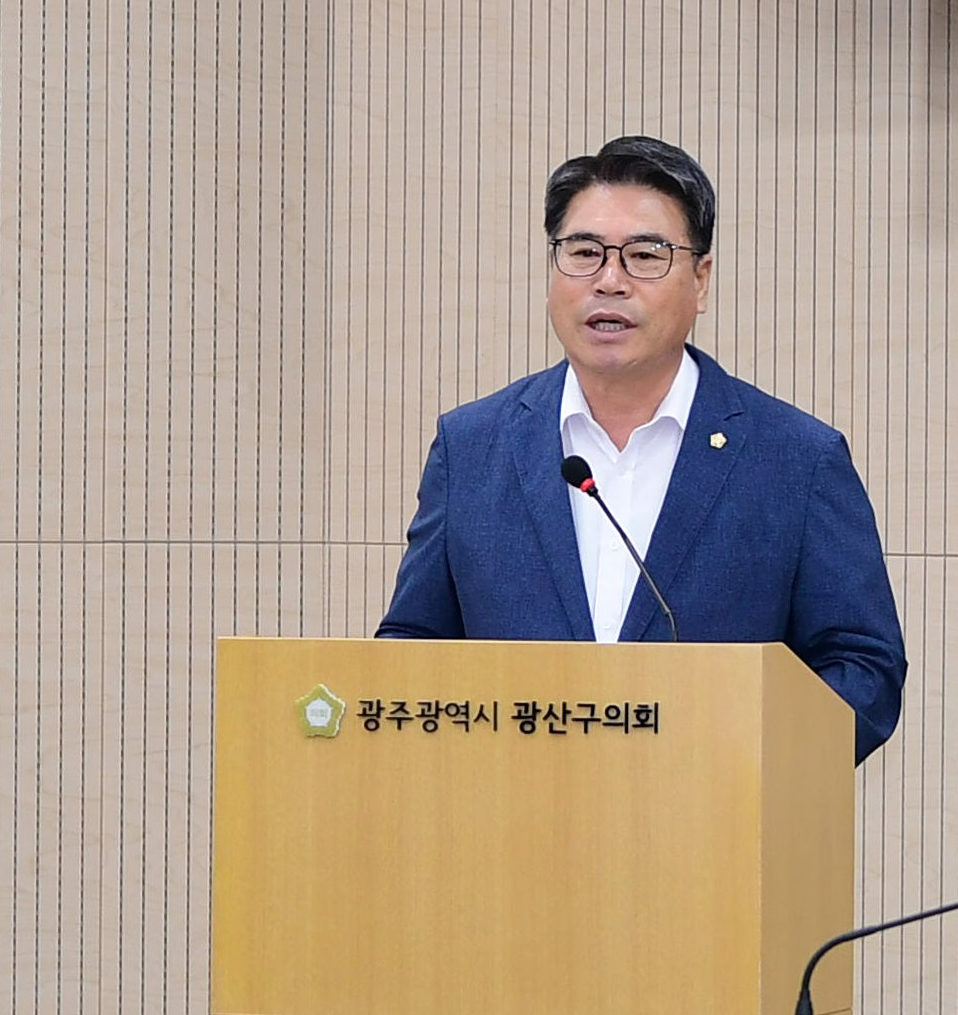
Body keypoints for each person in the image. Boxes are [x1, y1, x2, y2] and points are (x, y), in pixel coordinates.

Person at [378, 135, 905, 759]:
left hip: (713, 834)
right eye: (584, 252)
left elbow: (863, 671)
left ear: (700, 280)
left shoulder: (795, 459)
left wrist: (741, 755)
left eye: (645, 256)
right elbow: (412, 648)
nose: (609, 281)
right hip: (508, 831)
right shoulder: (472, 448)